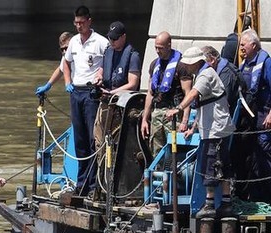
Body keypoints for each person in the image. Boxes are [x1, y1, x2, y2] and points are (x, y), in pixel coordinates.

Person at [165, 47, 235, 219]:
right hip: (215, 128)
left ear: (196, 62)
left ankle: (210, 204)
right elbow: (204, 105)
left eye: (188, 64)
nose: (186, 68)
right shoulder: (203, 74)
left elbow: (193, 94)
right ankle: (225, 203)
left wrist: (178, 109)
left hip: (215, 130)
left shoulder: (205, 75)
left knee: (212, 164)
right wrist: (193, 126)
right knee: (222, 164)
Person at [62, 5, 109, 197]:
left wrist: (101, 74)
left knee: (92, 140)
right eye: (76, 23)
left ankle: (93, 186)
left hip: (91, 93)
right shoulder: (73, 41)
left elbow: (108, 64)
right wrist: (67, 82)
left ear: (89, 21)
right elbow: (66, 62)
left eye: (82, 23)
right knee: (80, 139)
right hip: (76, 92)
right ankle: (81, 184)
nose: (79, 26)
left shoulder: (101, 42)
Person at [93, 21, 142, 177]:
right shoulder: (108, 52)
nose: (112, 42)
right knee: (99, 140)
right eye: (110, 38)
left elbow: (133, 84)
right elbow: (101, 70)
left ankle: (115, 178)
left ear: (123, 37)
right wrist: (98, 77)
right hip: (105, 102)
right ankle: (102, 178)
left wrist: (113, 92)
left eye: (115, 39)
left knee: (115, 142)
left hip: (121, 106)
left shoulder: (133, 55)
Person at [140, 31, 193, 157]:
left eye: (161, 48)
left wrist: (185, 121)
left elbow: (188, 94)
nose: (158, 51)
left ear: (169, 45)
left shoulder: (181, 65)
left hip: (174, 115)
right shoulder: (154, 65)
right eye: (156, 48)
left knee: (175, 152)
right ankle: (158, 174)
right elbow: (150, 93)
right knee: (156, 152)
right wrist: (145, 119)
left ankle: (175, 176)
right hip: (157, 114)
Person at [238, 28, 271, 202]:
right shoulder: (244, 64)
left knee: (265, 157)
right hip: (249, 121)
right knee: (253, 159)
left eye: (243, 44)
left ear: (253, 44)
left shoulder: (266, 63)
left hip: (263, 119)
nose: (241, 48)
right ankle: (255, 196)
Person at [34, 31, 72, 96]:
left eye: (66, 48)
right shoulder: (65, 56)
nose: (64, 51)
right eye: (62, 49)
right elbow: (60, 69)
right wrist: (48, 85)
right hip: (74, 90)